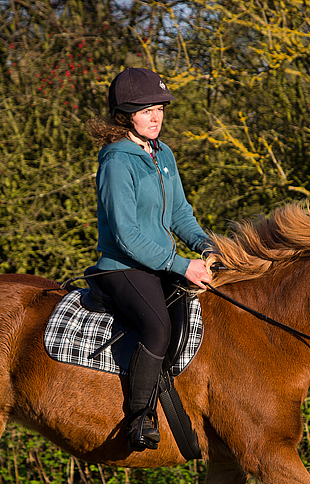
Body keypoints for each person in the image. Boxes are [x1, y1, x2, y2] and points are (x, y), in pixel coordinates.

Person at [88, 67, 214, 452]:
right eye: (146, 110)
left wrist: (207, 247)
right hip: (122, 268)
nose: (156, 116)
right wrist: (181, 265)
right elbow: (127, 236)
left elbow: (179, 214)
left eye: (159, 108)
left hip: (158, 265)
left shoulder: (163, 154)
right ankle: (139, 417)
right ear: (126, 115)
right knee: (157, 328)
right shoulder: (117, 161)